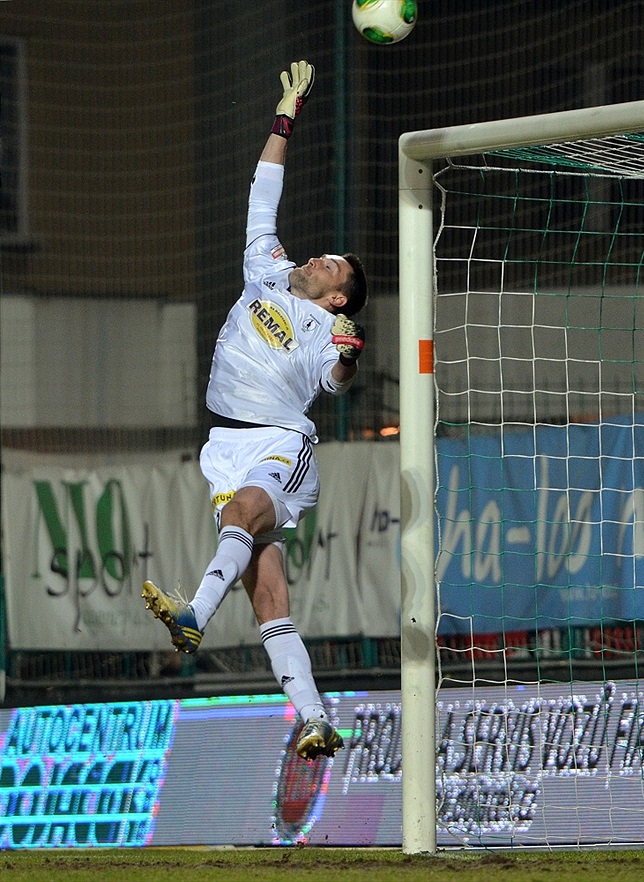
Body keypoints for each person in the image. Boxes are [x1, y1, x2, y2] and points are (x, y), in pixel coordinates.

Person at [142, 60, 367, 762]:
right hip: (225, 446)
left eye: (337, 268)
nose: (325, 258)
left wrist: (350, 355)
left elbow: (334, 383)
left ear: (338, 300)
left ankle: (192, 615)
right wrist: (284, 117)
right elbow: (262, 191)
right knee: (268, 594)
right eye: (329, 256)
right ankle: (313, 717)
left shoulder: (326, 330)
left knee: (241, 514)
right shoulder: (266, 265)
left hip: (279, 447)